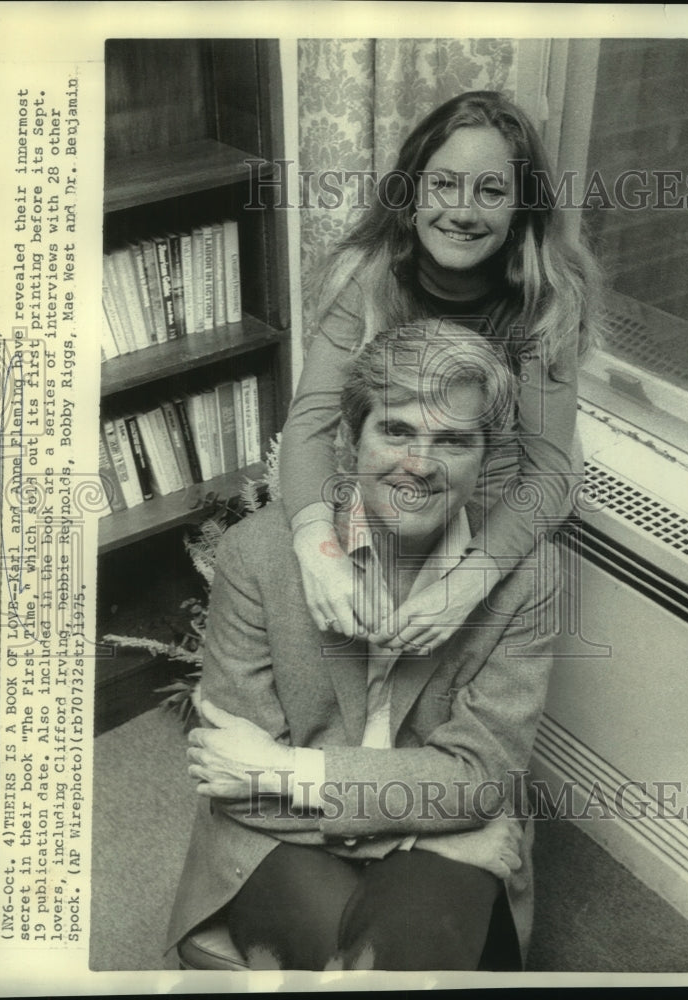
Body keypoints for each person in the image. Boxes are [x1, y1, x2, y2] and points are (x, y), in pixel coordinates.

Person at [166, 321, 562, 971]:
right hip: (281, 837)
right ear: (350, 440)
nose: (420, 463)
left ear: (487, 455)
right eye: (396, 430)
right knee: (387, 958)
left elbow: (481, 778)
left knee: (395, 957)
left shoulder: (527, 578)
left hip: (301, 802)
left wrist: (284, 770)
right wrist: (434, 832)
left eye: (453, 440)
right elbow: (234, 783)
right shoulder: (258, 555)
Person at [280, 90, 603, 652]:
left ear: (521, 208)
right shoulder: (368, 277)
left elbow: (548, 471)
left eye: (492, 191)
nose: (462, 211)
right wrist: (318, 548)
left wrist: (468, 583)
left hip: (500, 480)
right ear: (409, 194)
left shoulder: (546, 297)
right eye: (444, 184)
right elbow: (307, 425)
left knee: (465, 643)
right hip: (396, 467)